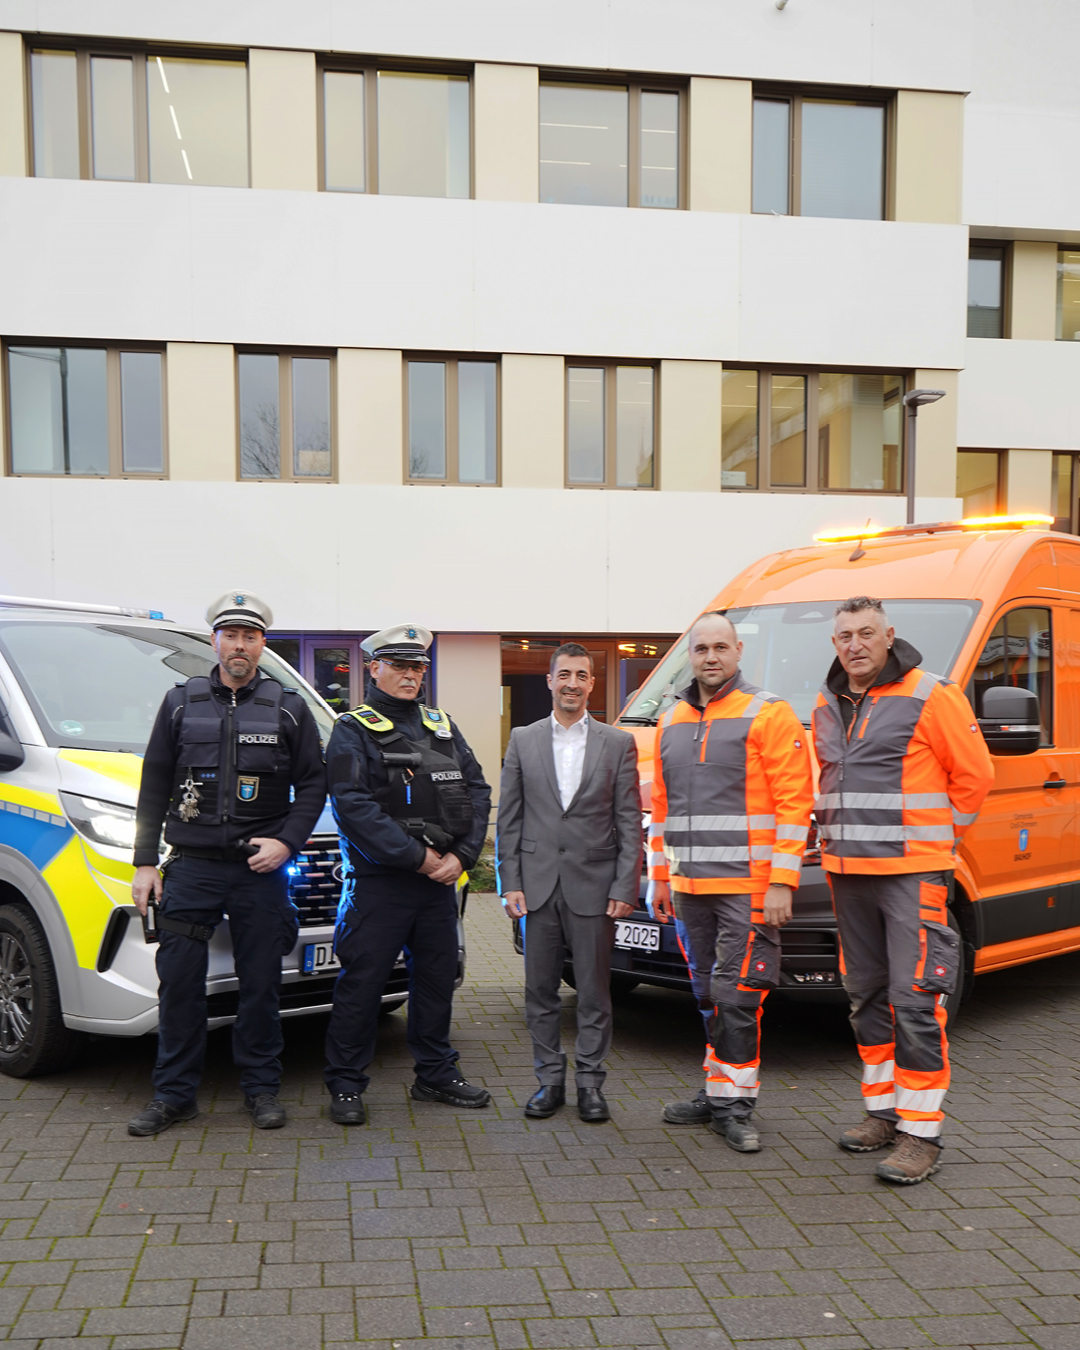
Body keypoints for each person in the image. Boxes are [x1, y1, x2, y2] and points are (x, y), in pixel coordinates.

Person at [129, 592, 326, 1136]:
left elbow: (313, 784)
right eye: (230, 635)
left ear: (263, 643)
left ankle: (261, 1089)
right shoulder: (179, 702)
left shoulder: (288, 706)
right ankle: (173, 1096)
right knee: (181, 985)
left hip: (258, 872)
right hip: (190, 868)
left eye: (251, 636)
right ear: (214, 640)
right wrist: (146, 862)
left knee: (261, 985)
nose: (240, 646)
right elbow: (154, 783)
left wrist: (287, 842)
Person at [812, 596, 993, 1184]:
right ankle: (882, 1114)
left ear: (889, 635)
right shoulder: (827, 701)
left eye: (866, 633)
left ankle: (921, 1134)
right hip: (847, 873)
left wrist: (934, 843)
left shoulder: (930, 694)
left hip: (911, 875)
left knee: (916, 1000)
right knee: (864, 995)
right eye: (845, 636)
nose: (855, 645)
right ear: (835, 642)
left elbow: (975, 776)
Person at [649, 612, 813, 1152]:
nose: (711, 657)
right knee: (705, 993)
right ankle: (718, 1090)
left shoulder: (769, 713)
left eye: (721, 647)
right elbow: (663, 809)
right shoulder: (670, 721)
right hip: (691, 889)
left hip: (748, 888)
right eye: (701, 649)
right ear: (690, 656)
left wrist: (782, 881)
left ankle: (737, 1106)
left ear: (739, 651)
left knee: (737, 996)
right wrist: (662, 879)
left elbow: (795, 804)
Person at [323, 624, 491, 1124]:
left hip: (439, 881)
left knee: (436, 981)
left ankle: (435, 1075)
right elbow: (352, 807)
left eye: (417, 667)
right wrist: (417, 858)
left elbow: (477, 791)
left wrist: (462, 857)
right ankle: (346, 1085)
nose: (410, 675)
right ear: (373, 667)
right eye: (399, 665)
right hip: (381, 884)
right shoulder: (351, 729)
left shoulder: (441, 725)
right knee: (364, 984)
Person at [496, 643, 642, 1123]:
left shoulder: (617, 743)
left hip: (594, 887)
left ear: (592, 684)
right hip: (536, 887)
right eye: (564, 675)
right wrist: (508, 881)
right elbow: (510, 821)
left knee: (595, 992)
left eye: (582, 675)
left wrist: (624, 887)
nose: (572, 684)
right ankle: (548, 1082)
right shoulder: (522, 739)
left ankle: (591, 1084)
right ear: (550, 680)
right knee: (538, 991)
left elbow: (627, 822)